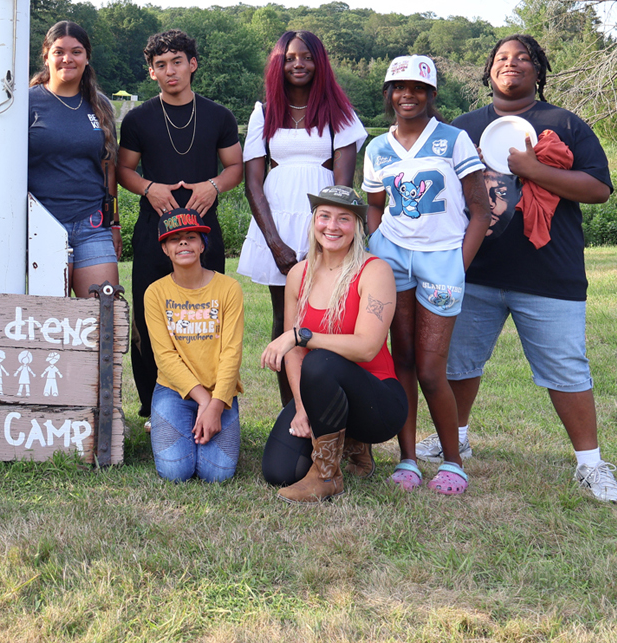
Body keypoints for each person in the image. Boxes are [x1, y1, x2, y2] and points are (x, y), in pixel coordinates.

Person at [424, 34, 617, 502]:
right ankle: (457, 439)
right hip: (474, 272)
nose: (510, 63)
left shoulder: (564, 123)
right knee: (459, 363)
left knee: (567, 369)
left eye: (522, 58)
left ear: (538, 70)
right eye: (501, 58)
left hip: (548, 274)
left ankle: (590, 465)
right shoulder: (463, 129)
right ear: (489, 71)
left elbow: (598, 188)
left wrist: (534, 170)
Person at [363, 55, 488, 495]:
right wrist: (378, 244)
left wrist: (458, 264)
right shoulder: (377, 148)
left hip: (442, 259)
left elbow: (480, 210)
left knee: (432, 368)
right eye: (399, 87)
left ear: (431, 94)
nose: (408, 95)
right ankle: (409, 459)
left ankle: (453, 462)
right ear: (388, 93)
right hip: (393, 258)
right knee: (402, 361)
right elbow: (374, 205)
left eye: (418, 88)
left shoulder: (453, 140)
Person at [117, 30, 243, 427]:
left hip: (203, 230)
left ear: (193, 64)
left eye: (177, 62)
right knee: (148, 319)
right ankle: (154, 405)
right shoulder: (137, 119)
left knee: (206, 317)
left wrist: (214, 185)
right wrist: (148, 188)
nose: (170, 71)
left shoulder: (219, 116)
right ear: (152, 72)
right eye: (161, 65)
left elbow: (235, 167)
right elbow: (123, 170)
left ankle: (212, 398)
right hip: (154, 230)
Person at [238, 30, 368, 405]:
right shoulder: (264, 112)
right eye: (291, 57)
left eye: (308, 57)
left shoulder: (339, 113)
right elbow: (253, 183)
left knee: (330, 319)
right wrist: (275, 244)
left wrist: (327, 238)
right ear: (278, 64)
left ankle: (330, 410)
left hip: (324, 225)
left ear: (320, 63)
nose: (299, 64)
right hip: (276, 225)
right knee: (286, 321)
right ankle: (292, 412)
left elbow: (342, 187)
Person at [260, 186, 405, 503]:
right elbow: (294, 355)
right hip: (321, 392)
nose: (332, 226)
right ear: (314, 221)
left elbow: (367, 347)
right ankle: (349, 444)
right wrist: (301, 407)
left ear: (357, 226)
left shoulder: (375, 270)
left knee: (320, 360)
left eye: (344, 218)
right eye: (324, 216)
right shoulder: (299, 274)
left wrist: (301, 335)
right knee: (278, 471)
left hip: (378, 400)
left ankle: (326, 476)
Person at [146, 208, 244, 483]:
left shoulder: (229, 288)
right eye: (174, 239)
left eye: (191, 237)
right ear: (165, 249)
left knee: (217, 473)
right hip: (173, 390)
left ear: (202, 245)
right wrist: (204, 401)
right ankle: (172, 422)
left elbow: (232, 353)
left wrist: (216, 403)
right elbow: (165, 357)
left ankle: (198, 426)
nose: (183, 243)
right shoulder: (155, 293)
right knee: (175, 472)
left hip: (219, 390)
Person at [28, 21, 121, 296]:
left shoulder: (100, 105)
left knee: (104, 309)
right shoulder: (26, 102)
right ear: (46, 56)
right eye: (59, 52)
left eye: (76, 52)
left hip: (92, 224)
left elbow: (108, 167)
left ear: (87, 57)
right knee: (49, 317)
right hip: (43, 225)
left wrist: (114, 222)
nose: (67, 59)